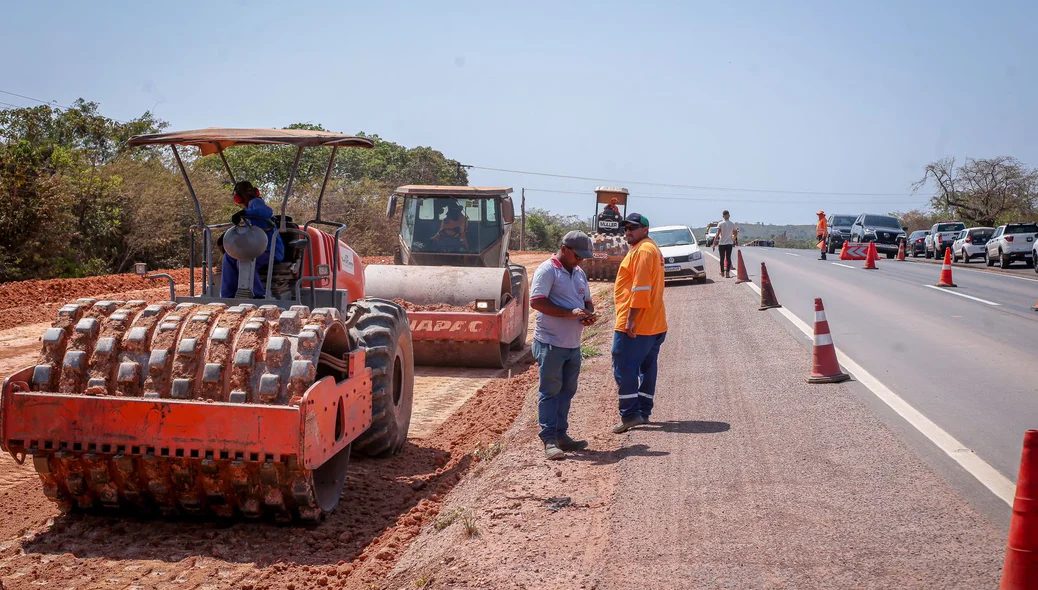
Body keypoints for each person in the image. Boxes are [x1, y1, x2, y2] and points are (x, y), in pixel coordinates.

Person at [529, 231, 598, 460]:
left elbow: (587, 300)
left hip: (573, 344)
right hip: (550, 342)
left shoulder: (579, 273)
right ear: (565, 249)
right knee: (550, 391)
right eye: (579, 256)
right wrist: (569, 314)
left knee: (567, 391)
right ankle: (549, 439)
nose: (582, 260)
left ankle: (561, 435)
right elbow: (537, 302)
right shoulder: (548, 270)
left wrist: (588, 314)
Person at [611, 213, 668, 434]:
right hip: (654, 322)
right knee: (647, 367)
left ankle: (630, 415)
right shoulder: (650, 248)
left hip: (639, 323)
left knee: (623, 365)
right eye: (625, 228)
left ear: (645, 229)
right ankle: (643, 412)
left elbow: (641, 288)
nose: (628, 232)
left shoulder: (644, 250)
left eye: (633, 228)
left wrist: (630, 319)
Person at [220, 181, 285, 298]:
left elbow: (267, 211)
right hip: (255, 250)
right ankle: (227, 296)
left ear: (238, 199)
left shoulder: (256, 203)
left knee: (244, 261)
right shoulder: (250, 215)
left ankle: (257, 295)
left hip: (271, 251)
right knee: (229, 257)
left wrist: (244, 212)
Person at [712, 210, 736, 278]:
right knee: (728, 258)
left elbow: (717, 234)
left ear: (723, 216)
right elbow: (735, 232)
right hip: (729, 243)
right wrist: (733, 238)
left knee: (722, 259)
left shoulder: (720, 223)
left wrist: (714, 243)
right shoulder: (732, 224)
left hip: (722, 244)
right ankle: (727, 273)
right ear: (729, 215)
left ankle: (722, 272)